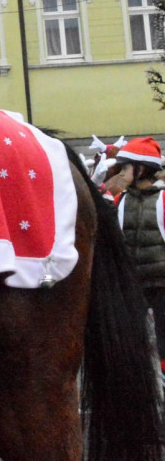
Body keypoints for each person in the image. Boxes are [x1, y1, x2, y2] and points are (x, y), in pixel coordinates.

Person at [114, 136, 165, 381]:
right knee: (131, 337)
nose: (121, 174)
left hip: (162, 285)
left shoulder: (163, 201)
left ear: (141, 169)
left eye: (124, 168)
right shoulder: (120, 201)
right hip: (133, 286)